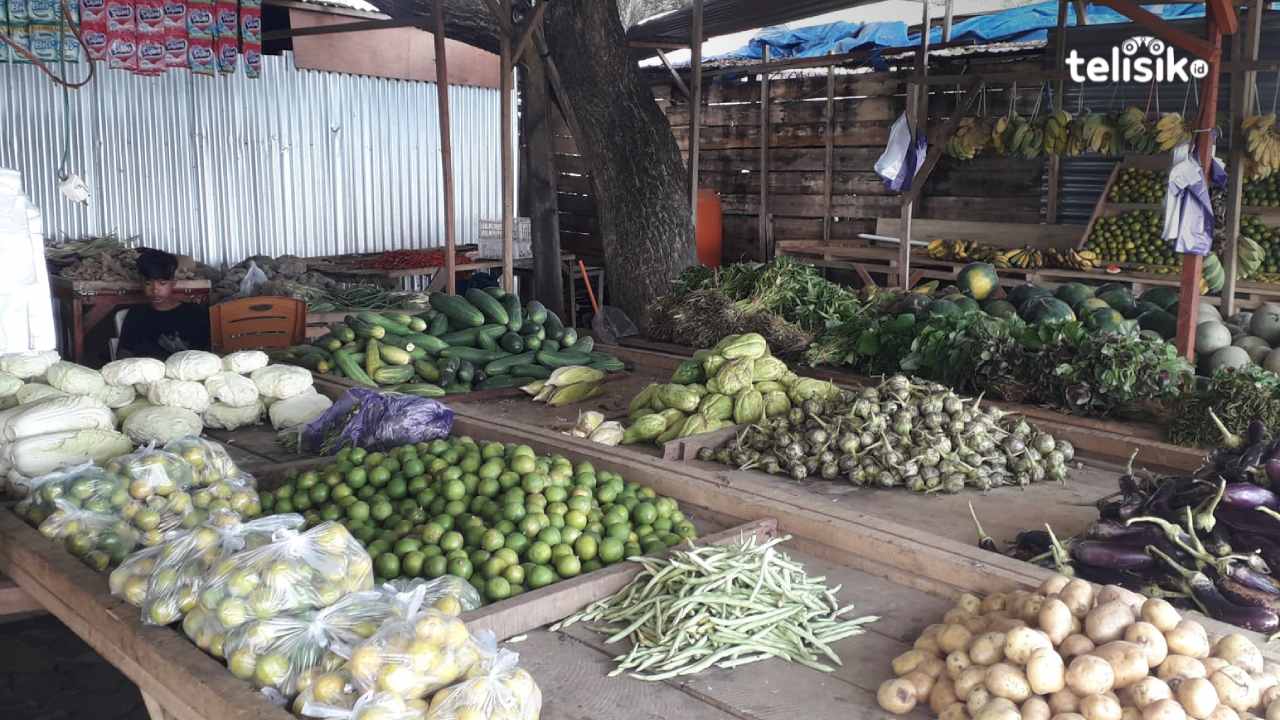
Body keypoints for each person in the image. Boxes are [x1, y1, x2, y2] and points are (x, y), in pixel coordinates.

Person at [117, 249, 211, 359]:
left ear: (173, 283)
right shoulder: (136, 315)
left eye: (162, 283)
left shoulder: (195, 314)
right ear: (141, 283)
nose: (155, 290)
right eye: (148, 283)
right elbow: (124, 352)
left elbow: (206, 353)